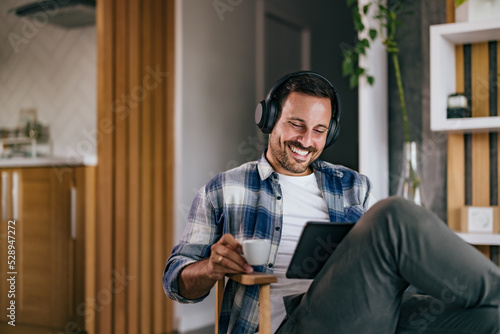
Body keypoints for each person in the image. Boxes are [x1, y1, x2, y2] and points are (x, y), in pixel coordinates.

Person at [163, 71, 500, 334]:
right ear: (268, 120)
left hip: (365, 313)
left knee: (490, 319)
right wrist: (210, 267)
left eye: (320, 130)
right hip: (286, 325)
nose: (306, 141)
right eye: (296, 124)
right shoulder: (224, 188)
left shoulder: (353, 185)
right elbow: (175, 282)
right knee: (392, 215)